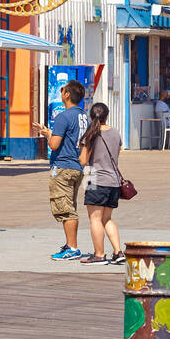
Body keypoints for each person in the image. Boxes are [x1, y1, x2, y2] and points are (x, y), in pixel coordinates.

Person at [36, 79, 85, 259]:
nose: (61, 92)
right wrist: (49, 132)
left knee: (65, 208)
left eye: (63, 90)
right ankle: (69, 244)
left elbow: (55, 145)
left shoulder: (64, 116)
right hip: (77, 166)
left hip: (63, 166)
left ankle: (72, 247)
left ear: (67, 95)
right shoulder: (83, 116)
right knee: (70, 204)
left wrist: (49, 137)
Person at [77, 102, 124, 265]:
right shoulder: (116, 133)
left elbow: (83, 161)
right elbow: (116, 156)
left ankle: (99, 255)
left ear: (92, 117)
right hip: (113, 179)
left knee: (95, 219)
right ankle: (118, 252)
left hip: (93, 177)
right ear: (107, 115)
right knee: (107, 218)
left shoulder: (90, 134)